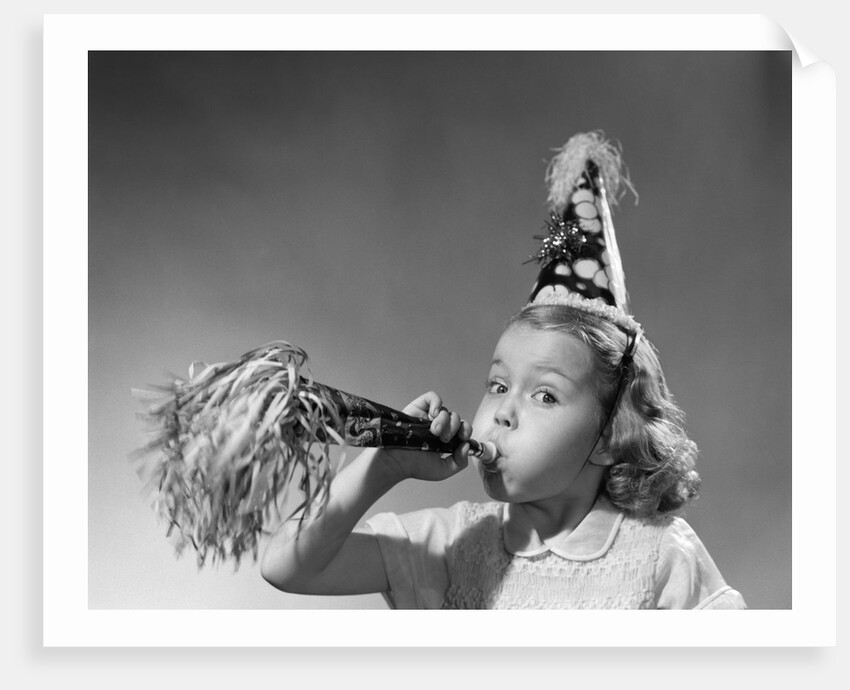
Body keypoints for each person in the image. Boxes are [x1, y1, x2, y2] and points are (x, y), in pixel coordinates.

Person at [260, 132, 747, 609]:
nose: (504, 413)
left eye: (545, 395)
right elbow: (287, 566)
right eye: (498, 384)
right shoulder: (453, 544)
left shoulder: (660, 555)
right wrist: (385, 465)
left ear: (609, 435)